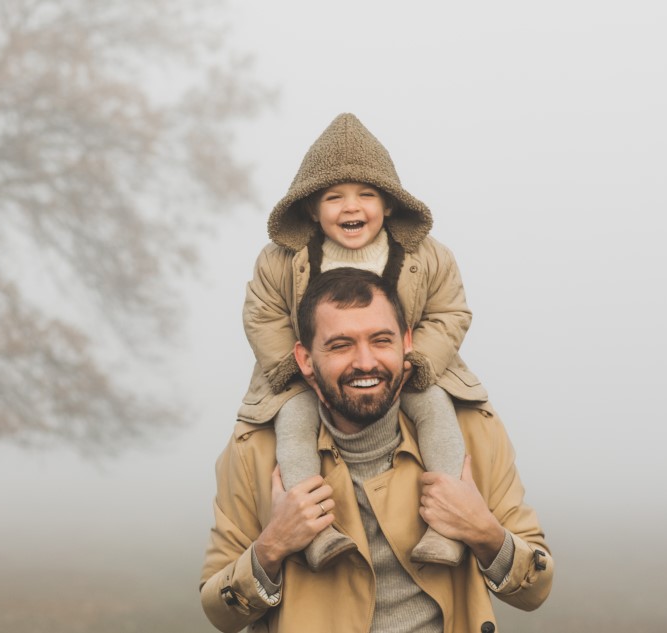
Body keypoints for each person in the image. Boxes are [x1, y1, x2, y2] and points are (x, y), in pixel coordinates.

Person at [201, 268, 553, 633]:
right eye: (340, 345)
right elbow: (219, 612)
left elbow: (535, 589)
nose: (365, 362)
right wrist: (272, 546)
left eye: (381, 340)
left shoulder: (475, 433)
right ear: (305, 360)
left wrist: (483, 531)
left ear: (407, 343)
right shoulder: (254, 451)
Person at [239, 113, 485, 570]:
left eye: (366, 195)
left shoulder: (427, 256)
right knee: (292, 425)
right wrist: (292, 369)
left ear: (389, 204)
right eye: (334, 198)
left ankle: (446, 526)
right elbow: (262, 313)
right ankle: (314, 532)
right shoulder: (280, 261)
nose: (351, 208)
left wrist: (421, 360)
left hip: (404, 370)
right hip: (310, 375)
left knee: (437, 413)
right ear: (311, 208)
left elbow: (450, 311)